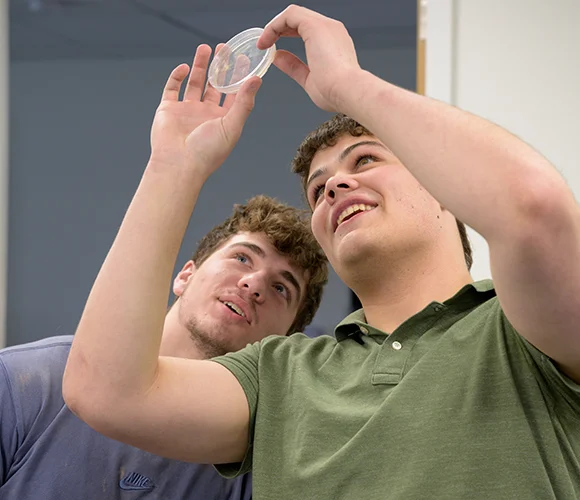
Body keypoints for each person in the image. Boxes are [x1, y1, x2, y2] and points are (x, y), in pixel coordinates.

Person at [64, 5, 580, 499]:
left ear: (443, 186)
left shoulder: (522, 330)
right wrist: (173, 169)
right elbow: (107, 393)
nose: (335, 187)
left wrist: (351, 88)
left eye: (365, 159)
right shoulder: (281, 374)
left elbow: (535, 210)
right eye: (318, 188)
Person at [0, 189, 327, 500]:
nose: (254, 284)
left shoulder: (257, 466)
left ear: (284, 341)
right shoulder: (22, 384)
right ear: (186, 275)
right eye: (242, 258)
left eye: (281, 288)